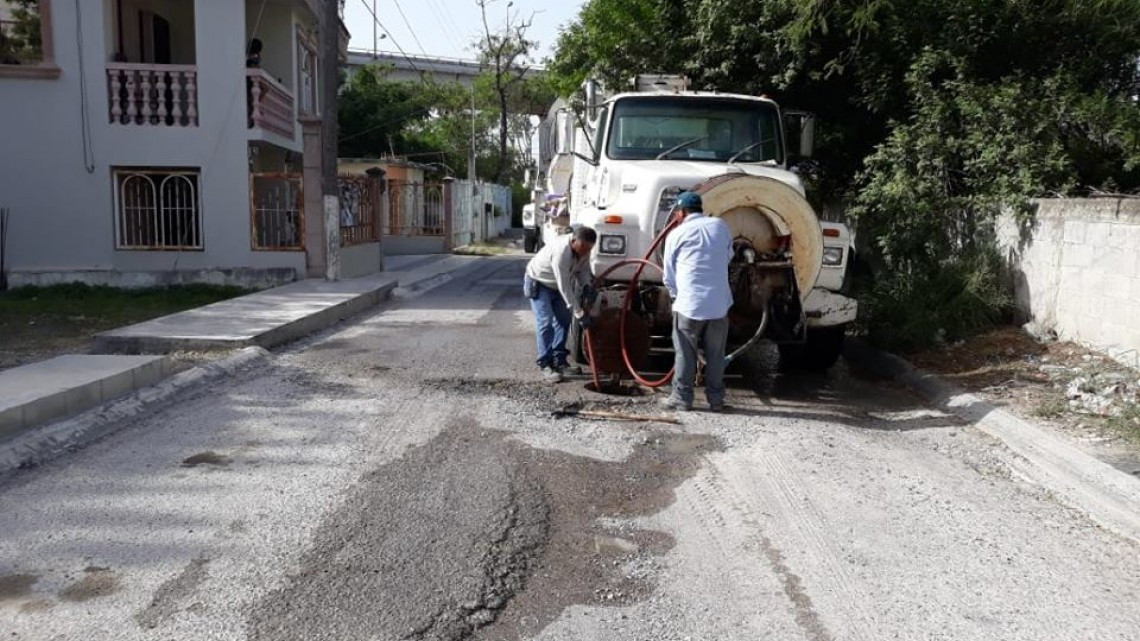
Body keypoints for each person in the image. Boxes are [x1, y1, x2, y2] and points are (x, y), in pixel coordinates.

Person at [661, 191, 734, 411]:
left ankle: (682, 399)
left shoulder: (676, 234)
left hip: (689, 305)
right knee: (716, 355)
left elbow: (668, 275)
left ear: (681, 212)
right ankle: (716, 401)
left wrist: (676, 296)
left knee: (685, 353)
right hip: (719, 305)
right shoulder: (720, 226)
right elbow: (728, 256)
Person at [524, 226, 596, 383]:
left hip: (557, 286)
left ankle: (559, 360)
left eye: (589, 249)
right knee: (545, 323)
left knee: (564, 320)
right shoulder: (561, 252)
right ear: (574, 240)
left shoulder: (584, 249)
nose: (586, 252)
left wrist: (586, 286)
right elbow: (565, 286)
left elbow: (583, 270)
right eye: (583, 247)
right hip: (540, 282)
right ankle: (545, 363)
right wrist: (579, 313)